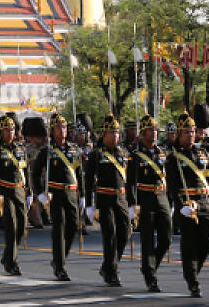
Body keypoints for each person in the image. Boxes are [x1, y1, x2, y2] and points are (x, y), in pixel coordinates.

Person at [165, 113, 209, 298]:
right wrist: (180, 205)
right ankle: (193, 282)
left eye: (192, 132)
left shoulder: (203, 153)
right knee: (189, 244)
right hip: (188, 203)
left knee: (206, 242)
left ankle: (193, 271)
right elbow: (172, 185)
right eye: (186, 132)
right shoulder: (174, 157)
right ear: (180, 134)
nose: (190, 135)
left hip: (204, 202)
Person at [32, 114, 83, 281]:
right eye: (59, 128)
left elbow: (79, 174)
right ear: (52, 131)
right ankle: (60, 267)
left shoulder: (74, 149)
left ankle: (59, 259)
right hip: (56, 194)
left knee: (73, 227)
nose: (62, 131)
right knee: (59, 229)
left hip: (72, 193)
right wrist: (40, 193)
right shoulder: (47, 151)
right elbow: (35, 174)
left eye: (64, 127)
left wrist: (82, 195)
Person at [126, 114, 171, 293]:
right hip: (144, 198)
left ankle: (149, 267)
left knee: (166, 237)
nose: (154, 133)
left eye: (156, 130)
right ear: (143, 133)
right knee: (147, 240)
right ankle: (151, 277)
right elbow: (130, 182)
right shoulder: (136, 156)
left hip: (161, 197)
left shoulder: (162, 152)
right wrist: (132, 205)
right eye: (151, 130)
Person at [85, 114, 130, 287]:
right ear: (104, 134)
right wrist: (89, 204)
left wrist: (133, 203)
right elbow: (88, 181)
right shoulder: (96, 155)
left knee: (124, 233)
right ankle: (112, 271)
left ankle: (108, 265)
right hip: (104, 198)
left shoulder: (123, 152)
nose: (115, 136)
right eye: (112, 133)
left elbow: (129, 180)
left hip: (121, 198)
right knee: (110, 234)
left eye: (117, 133)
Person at [0, 115, 30, 276]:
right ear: (1, 132)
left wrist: (29, 192)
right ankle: (11, 262)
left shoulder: (20, 148)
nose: (10, 132)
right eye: (7, 130)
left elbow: (26, 171)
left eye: (12, 129)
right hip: (4, 191)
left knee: (22, 226)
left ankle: (7, 256)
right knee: (11, 226)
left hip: (19, 190)